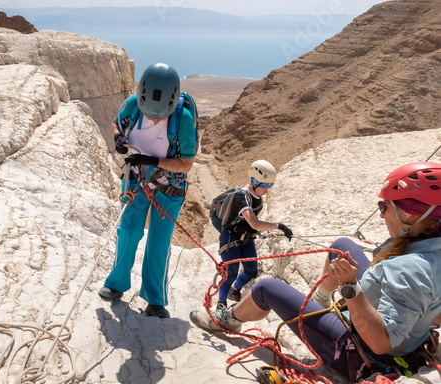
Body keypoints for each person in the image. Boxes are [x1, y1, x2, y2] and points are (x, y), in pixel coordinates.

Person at [190, 162, 441, 380]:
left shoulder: (410, 270)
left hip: (363, 353)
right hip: (402, 332)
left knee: (266, 288)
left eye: (385, 207)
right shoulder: (431, 247)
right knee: (342, 246)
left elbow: (380, 342)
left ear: (409, 214)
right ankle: (319, 302)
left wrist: (350, 288)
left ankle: (229, 320)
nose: (381, 215)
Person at [99, 63, 196, 318]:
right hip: (135, 180)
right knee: (128, 231)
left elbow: (185, 164)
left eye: (159, 115)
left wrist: (154, 162)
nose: (152, 119)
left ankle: (155, 300)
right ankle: (116, 284)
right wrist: (118, 137)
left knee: (159, 242)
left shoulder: (182, 120)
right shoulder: (133, 105)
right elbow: (115, 124)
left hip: (169, 186)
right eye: (149, 113)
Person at [211, 160, 293, 310]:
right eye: (265, 186)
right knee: (231, 273)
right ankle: (220, 304)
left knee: (251, 271)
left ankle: (233, 291)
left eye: (270, 186)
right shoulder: (241, 197)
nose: (267, 190)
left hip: (246, 238)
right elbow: (254, 223)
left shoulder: (256, 195)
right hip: (230, 238)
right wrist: (278, 226)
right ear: (255, 181)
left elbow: (251, 224)